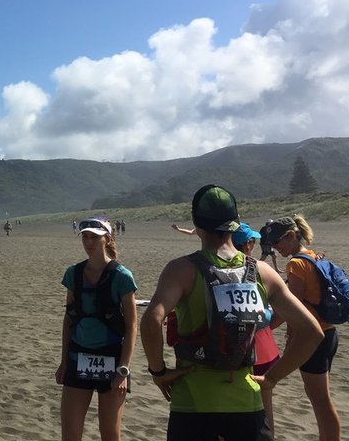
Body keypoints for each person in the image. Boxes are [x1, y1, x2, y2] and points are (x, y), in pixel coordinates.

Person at [140, 185, 323, 441]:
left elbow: (151, 320)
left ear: (196, 222)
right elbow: (312, 332)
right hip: (247, 401)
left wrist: (158, 372)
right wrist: (272, 377)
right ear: (235, 223)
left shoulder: (181, 269)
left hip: (193, 400)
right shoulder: (262, 271)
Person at [56, 217, 137, 441]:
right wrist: (64, 361)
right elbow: (69, 319)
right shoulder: (73, 273)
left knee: (110, 433)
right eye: (85, 236)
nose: (88, 242)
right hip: (78, 357)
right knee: (70, 434)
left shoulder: (122, 276)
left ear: (107, 239)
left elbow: (131, 326)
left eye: (94, 237)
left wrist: (123, 370)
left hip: (112, 361)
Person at [264, 215, 341, 440]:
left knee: (320, 399)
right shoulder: (313, 256)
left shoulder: (296, 264)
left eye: (277, 242)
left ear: (290, 236)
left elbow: (292, 309)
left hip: (313, 340)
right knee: (321, 397)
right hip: (329, 334)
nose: (275, 248)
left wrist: (265, 330)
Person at [231, 222, 281, 437]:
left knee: (234, 410)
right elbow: (280, 312)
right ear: (248, 244)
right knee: (265, 410)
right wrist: (266, 324)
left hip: (240, 349)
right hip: (265, 347)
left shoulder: (223, 271)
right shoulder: (260, 270)